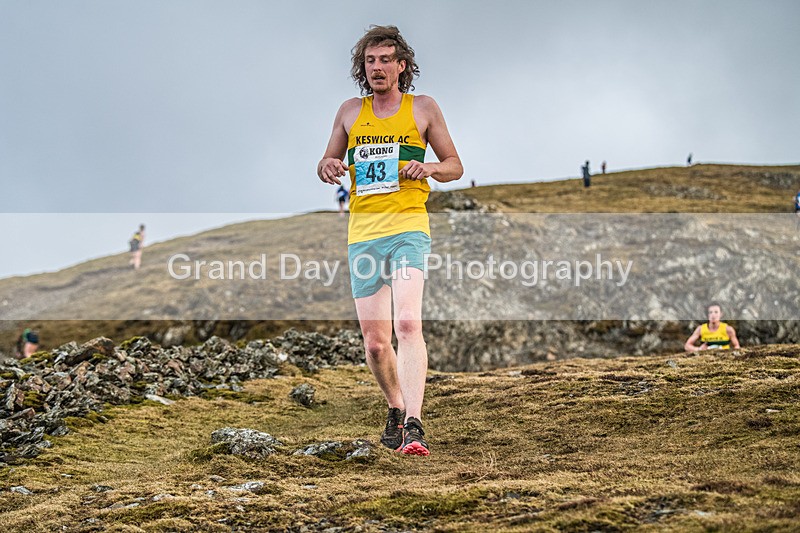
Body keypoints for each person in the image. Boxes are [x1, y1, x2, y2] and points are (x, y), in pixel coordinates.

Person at [317, 25, 463, 456]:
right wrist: (327, 166)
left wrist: (430, 168)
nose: (377, 68)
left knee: (408, 323)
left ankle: (415, 425)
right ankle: (395, 406)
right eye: (370, 61)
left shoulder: (423, 108)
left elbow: (455, 165)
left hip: (408, 228)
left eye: (385, 60)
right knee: (377, 344)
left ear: (402, 66)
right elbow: (328, 160)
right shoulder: (349, 112)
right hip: (363, 236)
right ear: (362, 68)